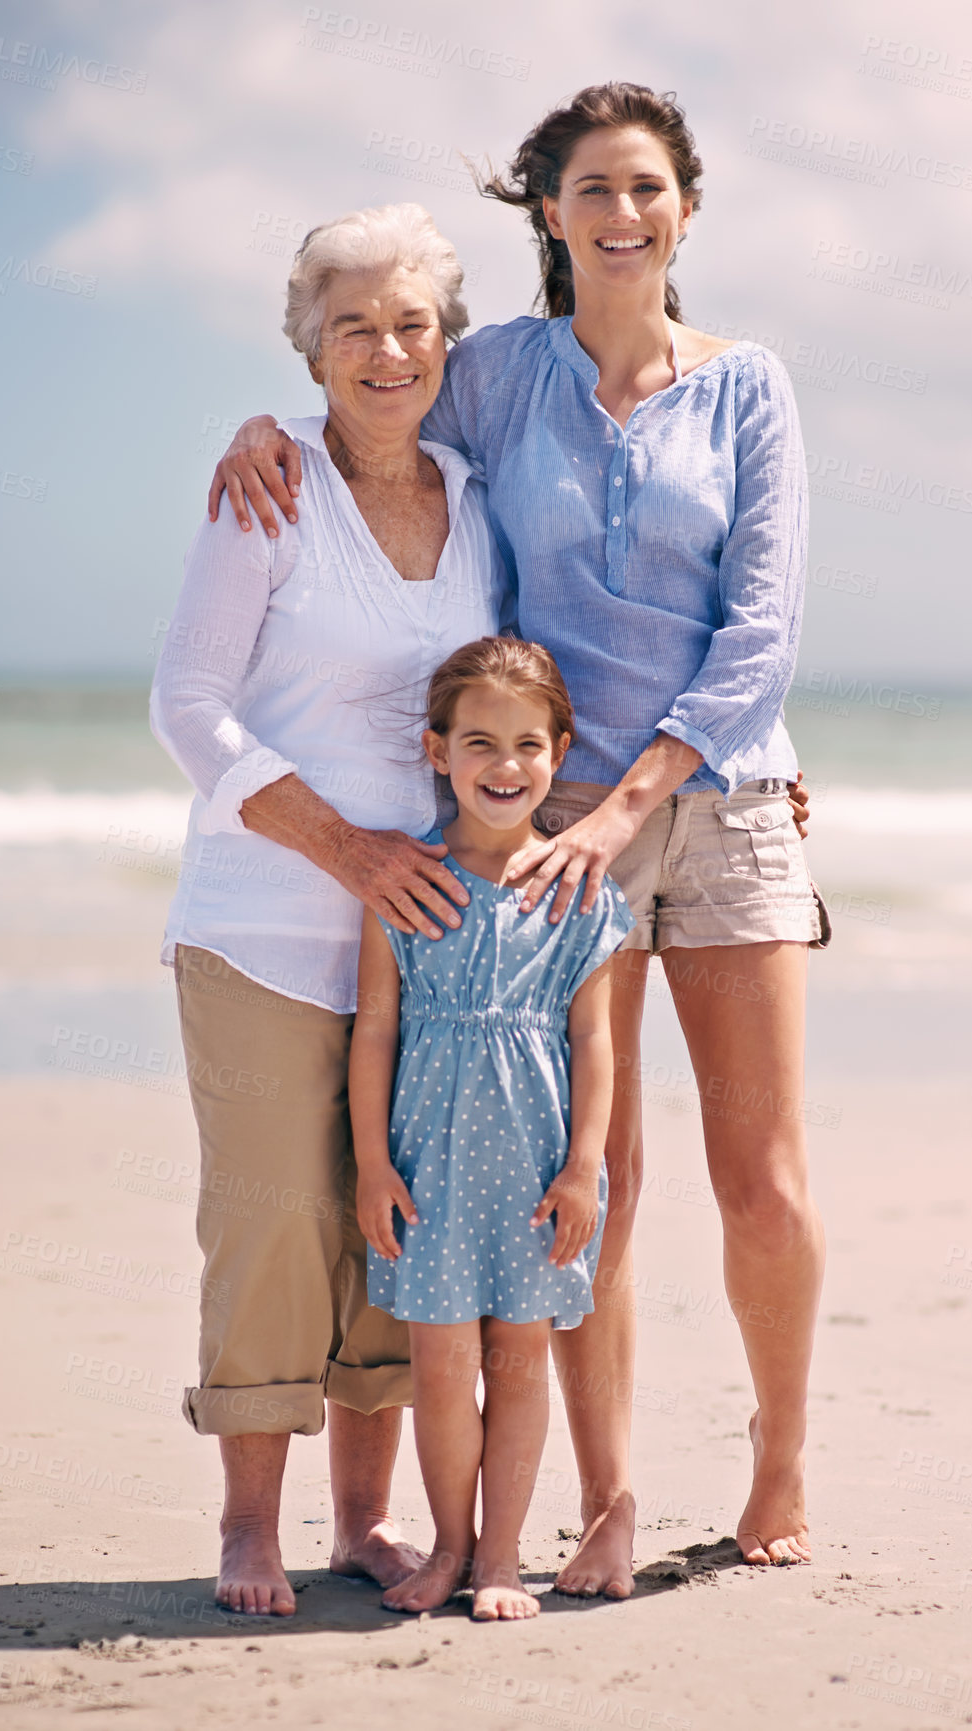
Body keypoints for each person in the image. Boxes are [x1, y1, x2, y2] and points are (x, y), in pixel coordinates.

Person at [209, 81, 826, 1593]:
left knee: (759, 1176)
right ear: (546, 215)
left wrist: (636, 800)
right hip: (551, 830)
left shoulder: (748, 387)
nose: (621, 214)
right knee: (593, 1171)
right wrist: (270, 425)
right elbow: (379, 376)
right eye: (591, 190)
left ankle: (779, 1456)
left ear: (685, 206)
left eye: (646, 186)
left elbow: (761, 630)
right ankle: (605, 1505)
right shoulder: (501, 376)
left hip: (720, 802)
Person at [150, 202, 508, 1616]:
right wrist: (349, 849)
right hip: (263, 925)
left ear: (444, 342)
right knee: (274, 1220)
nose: (384, 346)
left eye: (409, 322)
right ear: (309, 345)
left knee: (392, 1225)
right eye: (351, 322)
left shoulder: (479, 490)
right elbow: (187, 707)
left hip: (424, 945)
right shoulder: (269, 485)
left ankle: (361, 1518)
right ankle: (249, 1521)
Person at [351, 637, 633, 1620]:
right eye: (479, 743)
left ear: (559, 751)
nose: (504, 766)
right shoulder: (402, 888)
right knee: (440, 1371)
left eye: (526, 744)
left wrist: (583, 1169)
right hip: (427, 1176)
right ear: (437, 751)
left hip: (534, 1177)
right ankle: (448, 1550)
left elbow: (595, 1042)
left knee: (519, 1364)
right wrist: (373, 1164)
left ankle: (504, 1559)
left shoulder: (580, 894)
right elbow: (375, 1030)